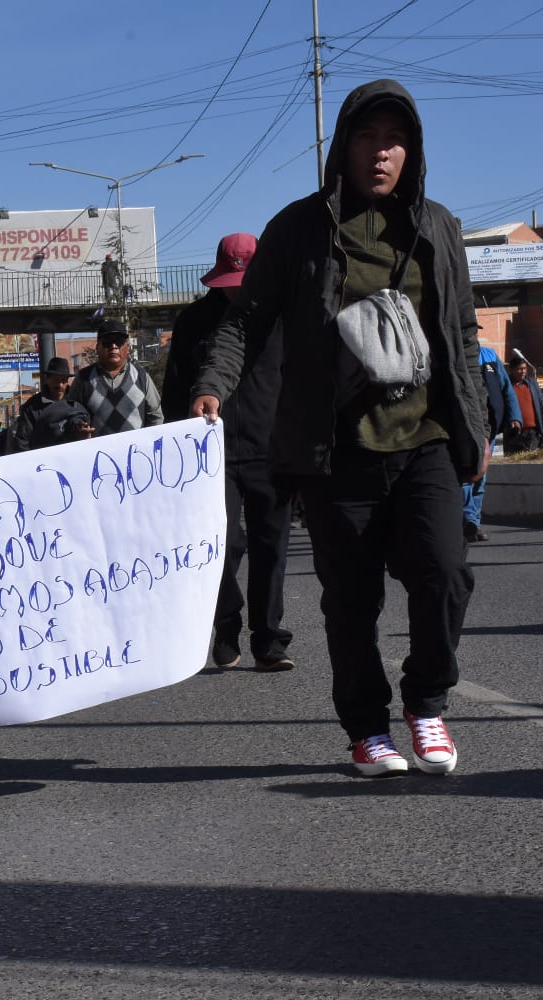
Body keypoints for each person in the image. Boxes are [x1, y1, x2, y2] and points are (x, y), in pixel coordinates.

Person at [190, 79, 488, 778]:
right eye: (366, 138)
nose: (381, 154)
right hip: (335, 450)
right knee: (352, 602)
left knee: (445, 574)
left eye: (395, 140)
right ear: (341, 147)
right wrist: (212, 386)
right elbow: (245, 321)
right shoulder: (298, 229)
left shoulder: (438, 226)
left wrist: (476, 428)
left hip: (428, 438)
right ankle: (366, 729)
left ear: (411, 151)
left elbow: (462, 330)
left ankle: (427, 701)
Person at [163, 232, 295, 673]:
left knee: (271, 545)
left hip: (273, 449)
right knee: (224, 544)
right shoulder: (193, 322)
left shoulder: (283, 317)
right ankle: (226, 625)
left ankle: (269, 640)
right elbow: (175, 389)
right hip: (210, 457)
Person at [461, 344, 521, 542]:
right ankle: (467, 519)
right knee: (467, 476)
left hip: (490, 428)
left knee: (481, 477)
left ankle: (473, 523)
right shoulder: (456, 352)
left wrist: (514, 416)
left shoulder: (489, 355)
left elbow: (506, 388)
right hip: (466, 428)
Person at [67, 319, 164, 435]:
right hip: (98, 452)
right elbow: (70, 413)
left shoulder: (141, 377)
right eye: (107, 342)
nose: (113, 346)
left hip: (135, 451)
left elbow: (156, 416)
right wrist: (78, 426)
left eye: (119, 342)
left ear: (127, 347)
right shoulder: (83, 378)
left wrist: (149, 442)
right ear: (97, 347)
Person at [8, 357, 93, 452]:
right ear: (47, 379)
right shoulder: (32, 407)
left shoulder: (76, 403)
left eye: (63, 380)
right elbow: (22, 441)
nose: (60, 385)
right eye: (56, 380)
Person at [503, 353, 543, 454]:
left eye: (524, 369)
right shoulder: (506, 385)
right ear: (512, 370)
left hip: (533, 433)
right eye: (519, 369)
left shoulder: (532, 384)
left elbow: (540, 406)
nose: (523, 372)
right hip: (514, 434)